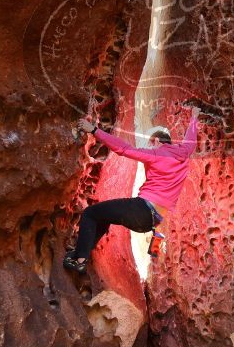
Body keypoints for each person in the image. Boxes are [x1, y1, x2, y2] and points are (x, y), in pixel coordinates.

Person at [62, 106, 200, 273]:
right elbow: (190, 139)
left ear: (155, 141)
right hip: (153, 221)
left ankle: (80, 261)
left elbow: (123, 149)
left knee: (90, 213)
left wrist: (94, 130)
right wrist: (194, 118)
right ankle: (82, 252)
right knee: (104, 217)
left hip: (140, 210)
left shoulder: (156, 154)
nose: (150, 147)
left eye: (150, 143)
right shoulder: (184, 153)